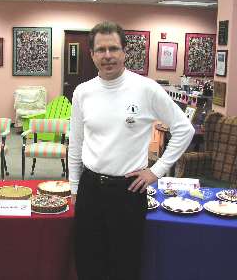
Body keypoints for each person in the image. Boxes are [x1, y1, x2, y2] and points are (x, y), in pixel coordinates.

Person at [68, 21, 194, 280]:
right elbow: (76, 142)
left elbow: (184, 129)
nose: (108, 56)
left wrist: (156, 171)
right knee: (89, 261)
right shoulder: (83, 92)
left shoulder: (145, 88)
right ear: (92, 54)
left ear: (125, 52)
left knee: (125, 264)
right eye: (100, 50)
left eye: (113, 48)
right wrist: (73, 187)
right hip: (90, 187)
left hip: (128, 190)